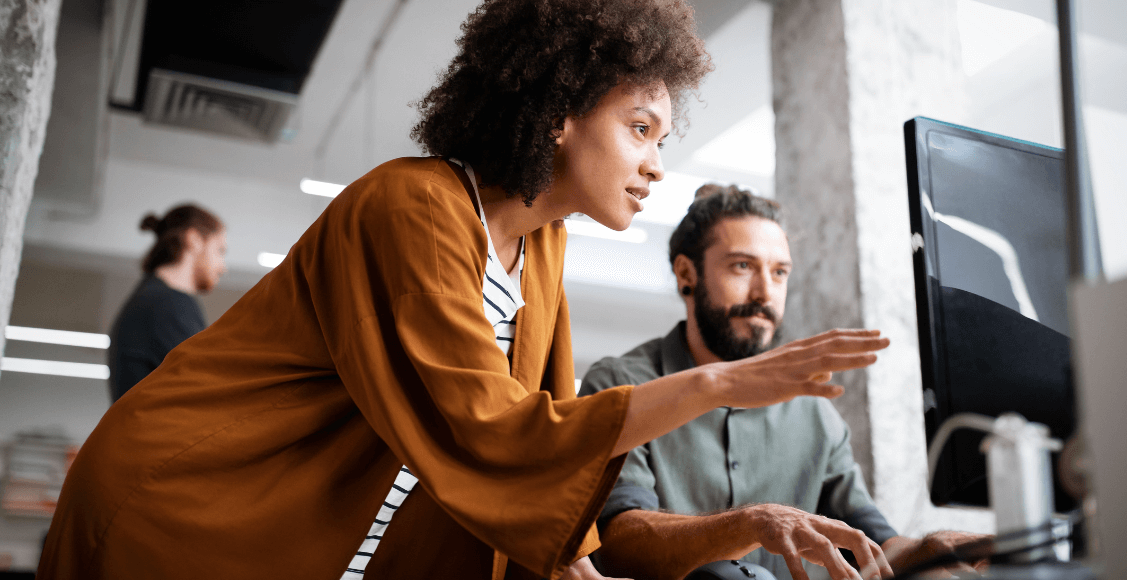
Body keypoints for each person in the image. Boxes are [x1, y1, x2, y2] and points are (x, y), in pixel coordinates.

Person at [38, 2, 892, 579]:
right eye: (640, 128)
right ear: (560, 110)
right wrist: (719, 383)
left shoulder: (542, 247)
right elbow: (494, 431)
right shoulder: (411, 206)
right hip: (184, 504)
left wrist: (579, 564)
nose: (655, 165)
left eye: (662, 138)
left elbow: (545, 444)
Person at [580, 185, 988, 580]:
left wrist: (931, 549)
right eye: (742, 266)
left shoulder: (814, 411)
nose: (764, 293)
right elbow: (617, 545)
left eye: (779, 273)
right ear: (687, 273)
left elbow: (874, 547)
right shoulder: (621, 385)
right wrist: (750, 524)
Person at [107, 204, 227, 403]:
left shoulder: (154, 298)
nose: (223, 267)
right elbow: (206, 390)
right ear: (194, 240)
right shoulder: (167, 304)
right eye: (220, 251)